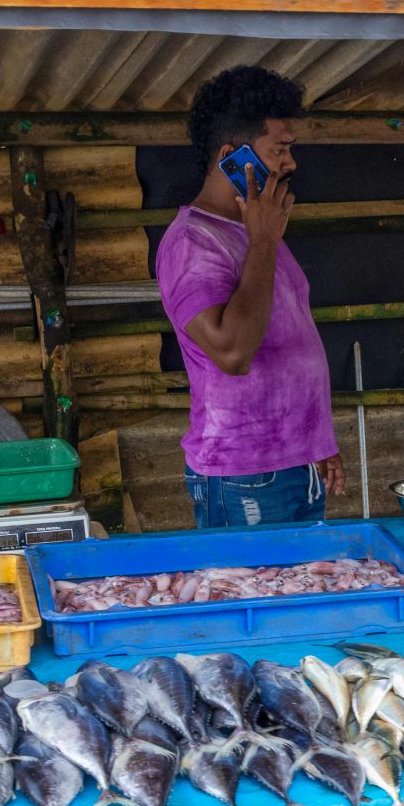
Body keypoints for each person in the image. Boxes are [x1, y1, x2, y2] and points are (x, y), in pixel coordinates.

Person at [154, 65, 346, 528]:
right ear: (231, 156)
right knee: (258, 598)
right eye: (278, 149)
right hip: (243, 472)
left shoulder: (254, 231)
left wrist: (316, 442)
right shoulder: (192, 242)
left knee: (299, 594)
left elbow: (291, 337)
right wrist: (263, 242)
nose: (289, 163)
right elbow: (233, 351)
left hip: (294, 463)